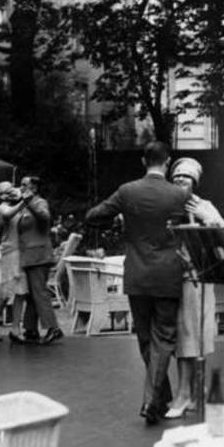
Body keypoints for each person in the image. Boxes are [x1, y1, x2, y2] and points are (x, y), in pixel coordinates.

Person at [85, 141, 190, 424]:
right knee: (164, 338)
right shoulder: (178, 195)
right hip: (168, 274)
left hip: (138, 274)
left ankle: (154, 400)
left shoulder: (127, 191)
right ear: (167, 162)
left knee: (145, 339)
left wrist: (120, 221)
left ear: (145, 161)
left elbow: (92, 216)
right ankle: (153, 399)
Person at [165, 157, 224, 419]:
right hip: (171, 278)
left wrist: (210, 219)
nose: (181, 181)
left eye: (186, 178)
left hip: (198, 279)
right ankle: (189, 393)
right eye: (176, 177)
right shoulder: (166, 205)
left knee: (194, 338)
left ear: (195, 182)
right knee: (184, 339)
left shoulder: (205, 206)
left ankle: (189, 394)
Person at [14, 175, 62, 345]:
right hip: (29, 256)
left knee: (39, 292)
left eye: (24, 184)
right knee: (31, 294)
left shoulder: (39, 203)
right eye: (20, 184)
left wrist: (30, 202)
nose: (21, 187)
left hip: (39, 256)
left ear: (34, 188)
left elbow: (44, 217)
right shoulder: (23, 207)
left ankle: (53, 328)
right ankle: (30, 329)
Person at [0, 181, 28, 343]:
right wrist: (23, 202)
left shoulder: (21, 205)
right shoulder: (2, 208)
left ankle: (15, 328)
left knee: (21, 291)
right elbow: (7, 215)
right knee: (6, 290)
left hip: (23, 251)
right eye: (5, 192)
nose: (9, 194)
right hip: (10, 252)